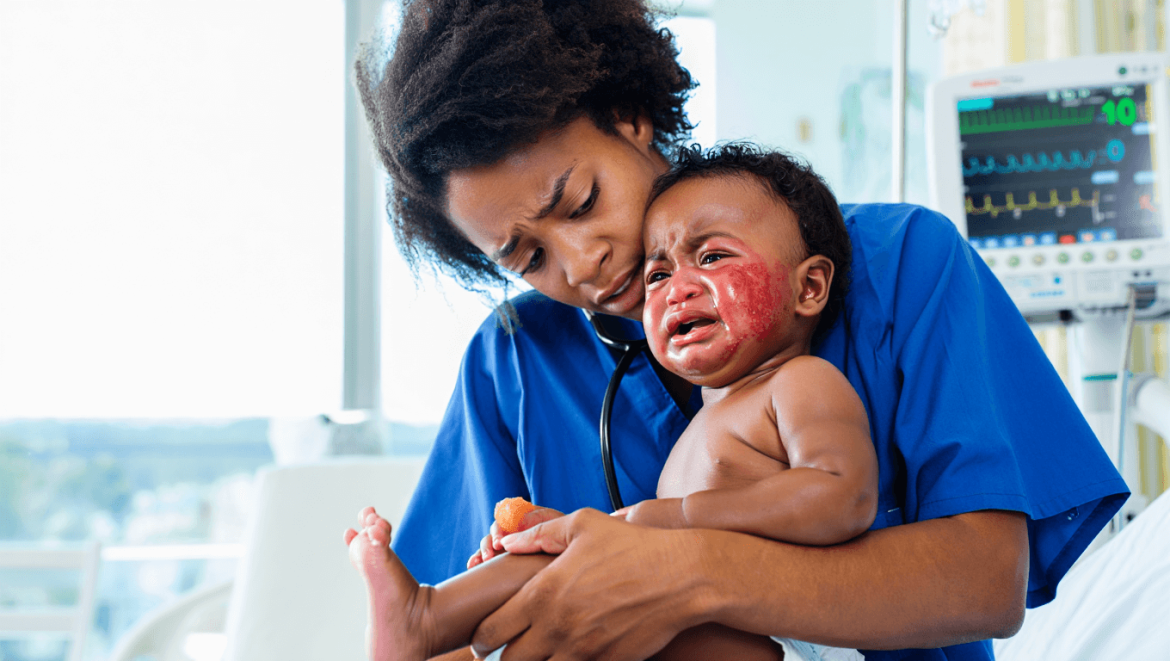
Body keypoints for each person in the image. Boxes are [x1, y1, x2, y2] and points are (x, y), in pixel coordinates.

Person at [353, 1, 1129, 659]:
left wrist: (679, 568)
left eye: (583, 201)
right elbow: (451, 631)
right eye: (527, 256)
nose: (580, 263)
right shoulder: (514, 362)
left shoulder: (905, 268)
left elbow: (984, 581)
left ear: (632, 118)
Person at [346, 144, 879, 661]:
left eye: (713, 256)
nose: (677, 289)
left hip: (792, 642)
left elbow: (842, 496)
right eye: (658, 275)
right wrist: (563, 531)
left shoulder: (800, 383)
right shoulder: (711, 417)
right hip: (714, 625)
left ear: (809, 287)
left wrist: (677, 519)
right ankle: (426, 618)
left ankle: (425, 620)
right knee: (557, 574)